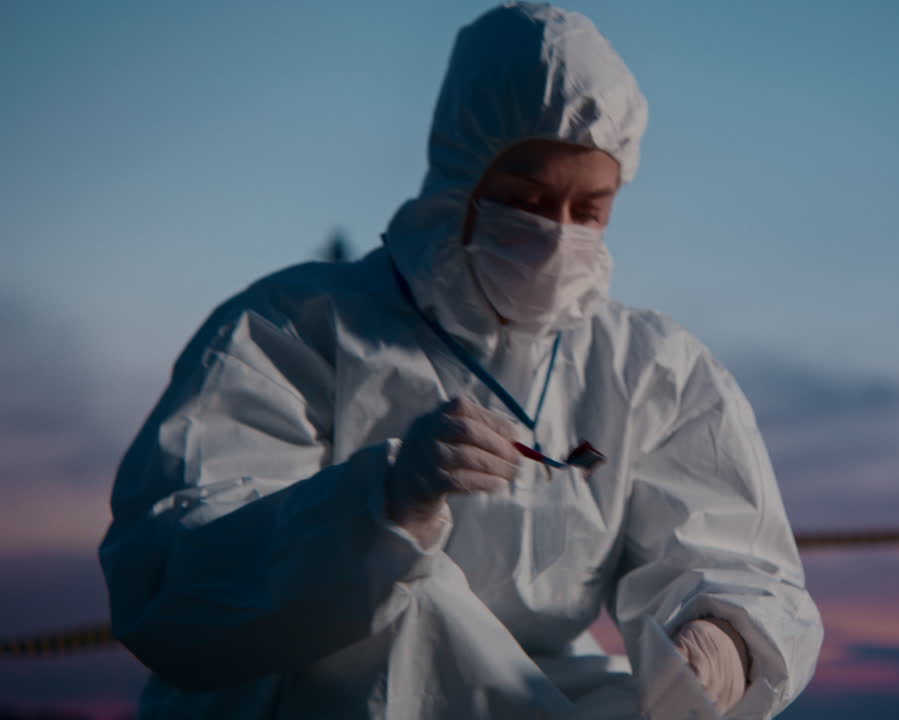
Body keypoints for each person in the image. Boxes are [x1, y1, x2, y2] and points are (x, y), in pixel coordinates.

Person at [99, 3, 822, 718]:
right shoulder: (293, 330)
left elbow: (735, 556)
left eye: (590, 209)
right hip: (306, 696)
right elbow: (174, 575)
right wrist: (378, 508)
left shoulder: (652, 369)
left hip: (530, 698)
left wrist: (721, 642)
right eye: (528, 199)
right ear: (460, 175)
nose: (556, 236)